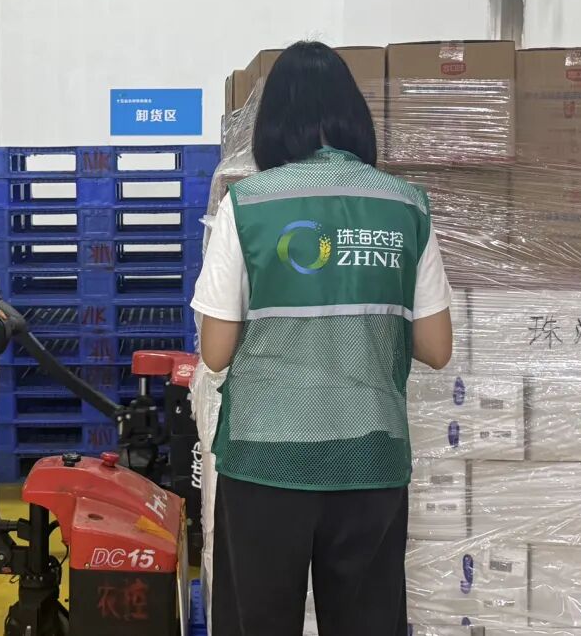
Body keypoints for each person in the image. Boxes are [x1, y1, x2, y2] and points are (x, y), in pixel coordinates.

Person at [191, 41, 454, 636]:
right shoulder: (405, 205)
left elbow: (216, 352)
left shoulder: (248, 205)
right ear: (352, 115)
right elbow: (437, 348)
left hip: (266, 459)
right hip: (371, 457)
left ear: (274, 123)